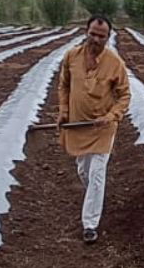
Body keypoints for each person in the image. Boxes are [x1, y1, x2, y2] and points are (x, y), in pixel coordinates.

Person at [56, 14, 131, 243]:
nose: (96, 39)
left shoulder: (115, 63)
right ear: (85, 32)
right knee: (84, 172)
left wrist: (111, 116)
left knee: (97, 174)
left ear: (109, 37)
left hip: (102, 128)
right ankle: (95, 198)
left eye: (102, 36)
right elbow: (64, 85)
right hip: (78, 125)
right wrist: (63, 111)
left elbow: (125, 95)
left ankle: (90, 224)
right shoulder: (71, 57)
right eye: (93, 34)